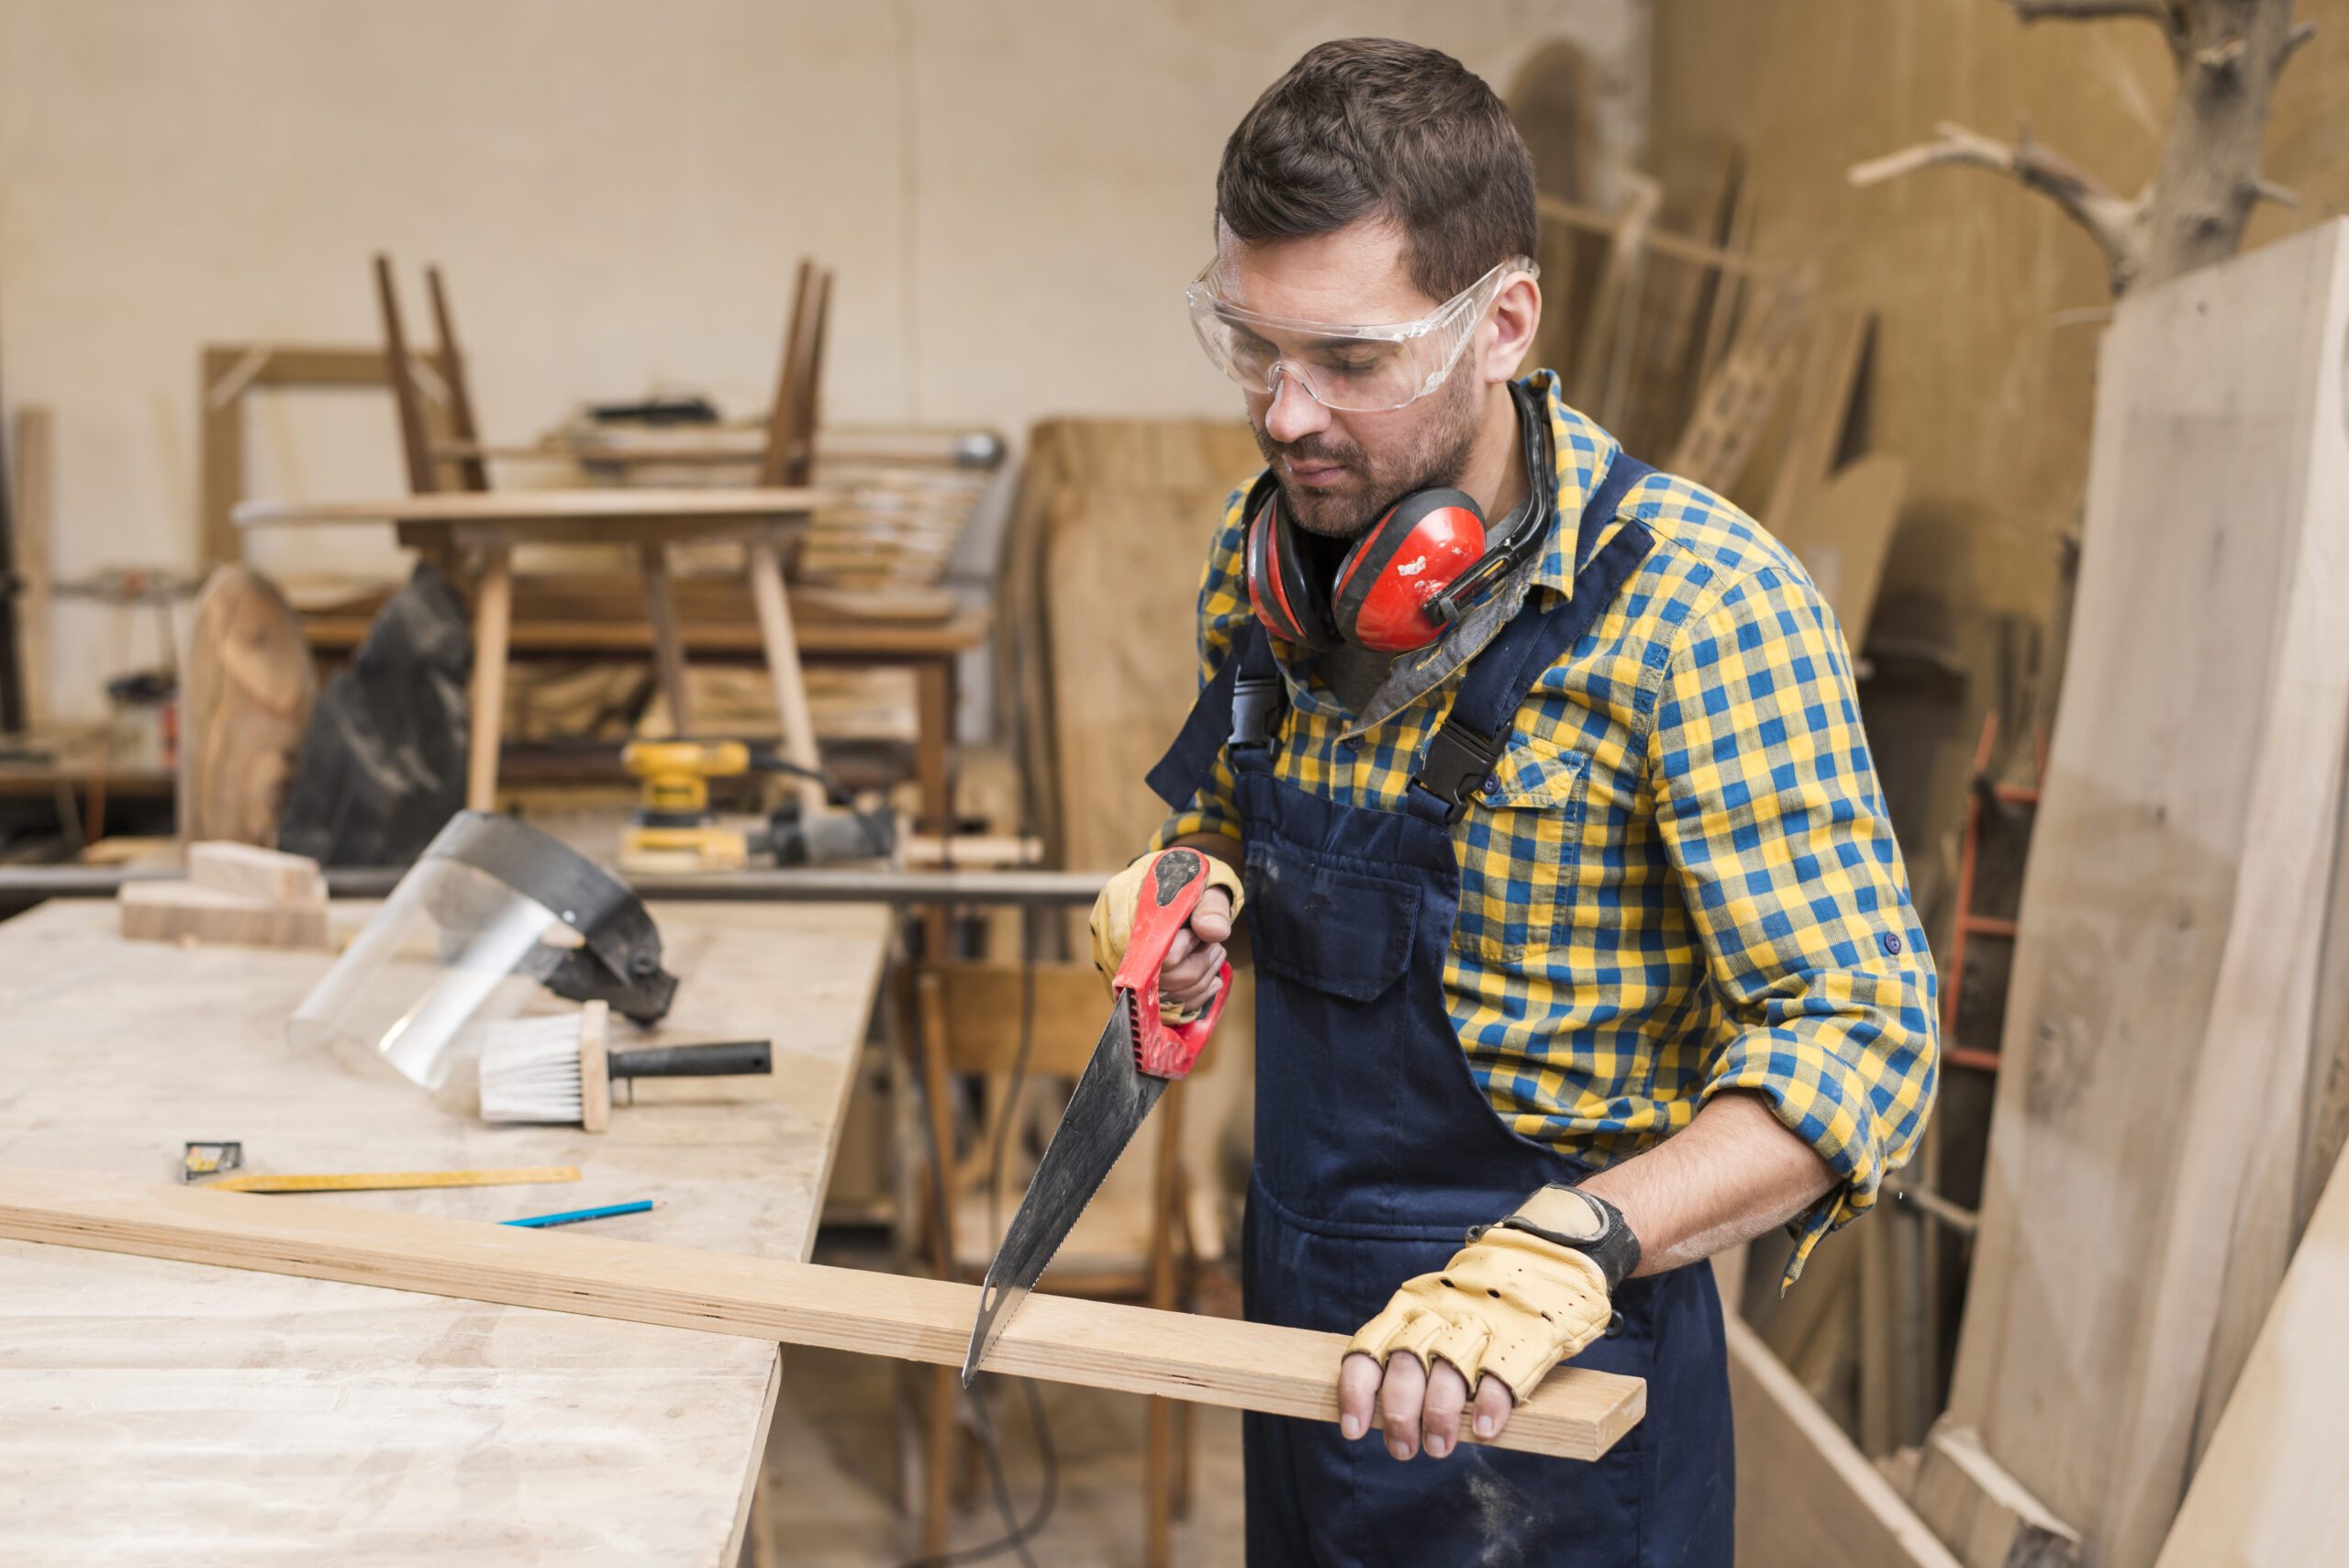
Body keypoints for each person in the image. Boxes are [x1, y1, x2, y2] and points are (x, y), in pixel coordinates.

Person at [1088, 37, 1939, 1568]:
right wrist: (1184, 891)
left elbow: (1863, 1038)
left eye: (1350, 361)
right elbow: (1223, 805)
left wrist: (1581, 1245)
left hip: (1556, 1402)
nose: (1286, 418)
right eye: (1252, 348)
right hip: (1301, 1350)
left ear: (1505, 322)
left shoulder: (1700, 610)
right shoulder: (1270, 543)